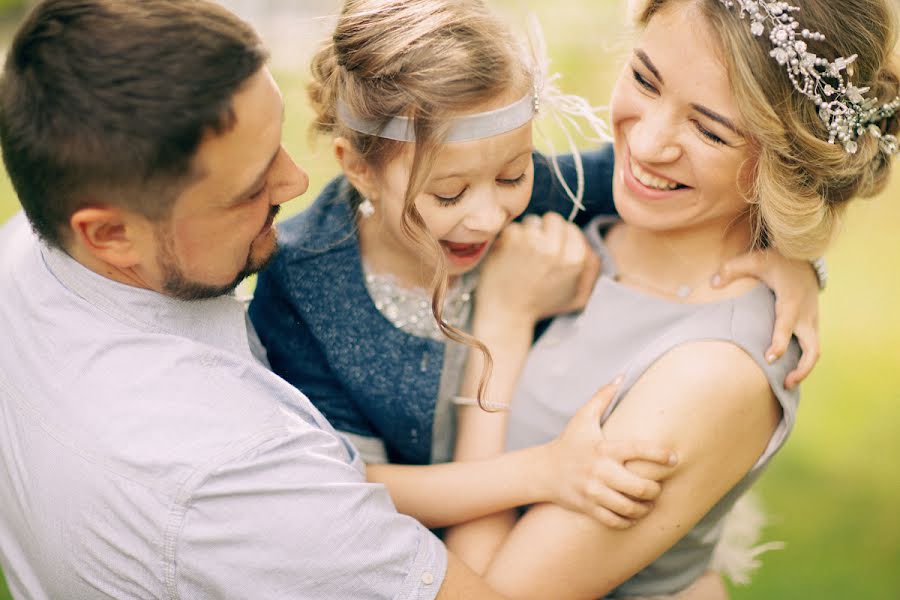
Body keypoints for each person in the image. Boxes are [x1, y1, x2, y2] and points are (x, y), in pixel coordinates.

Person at [0, 1, 616, 598]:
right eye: (249, 186)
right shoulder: (250, 461)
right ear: (111, 235)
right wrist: (506, 327)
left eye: (510, 178)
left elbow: (629, 177)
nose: (297, 183)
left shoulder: (27, 248)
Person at [249, 0, 821, 538]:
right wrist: (539, 472)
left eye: (510, 176)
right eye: (447, 195)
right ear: (360, 170)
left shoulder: (554, 188)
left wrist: (790, 259)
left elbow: (708, 190)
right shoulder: (306, 282)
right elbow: (350, 483)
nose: (488, 216)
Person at [442, 0, 899, 597]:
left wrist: (502, 322)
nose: (649, 143)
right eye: (643, 79)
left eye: (709, 129)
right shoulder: (564, 208)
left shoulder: (716, 372)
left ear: (787, 163)